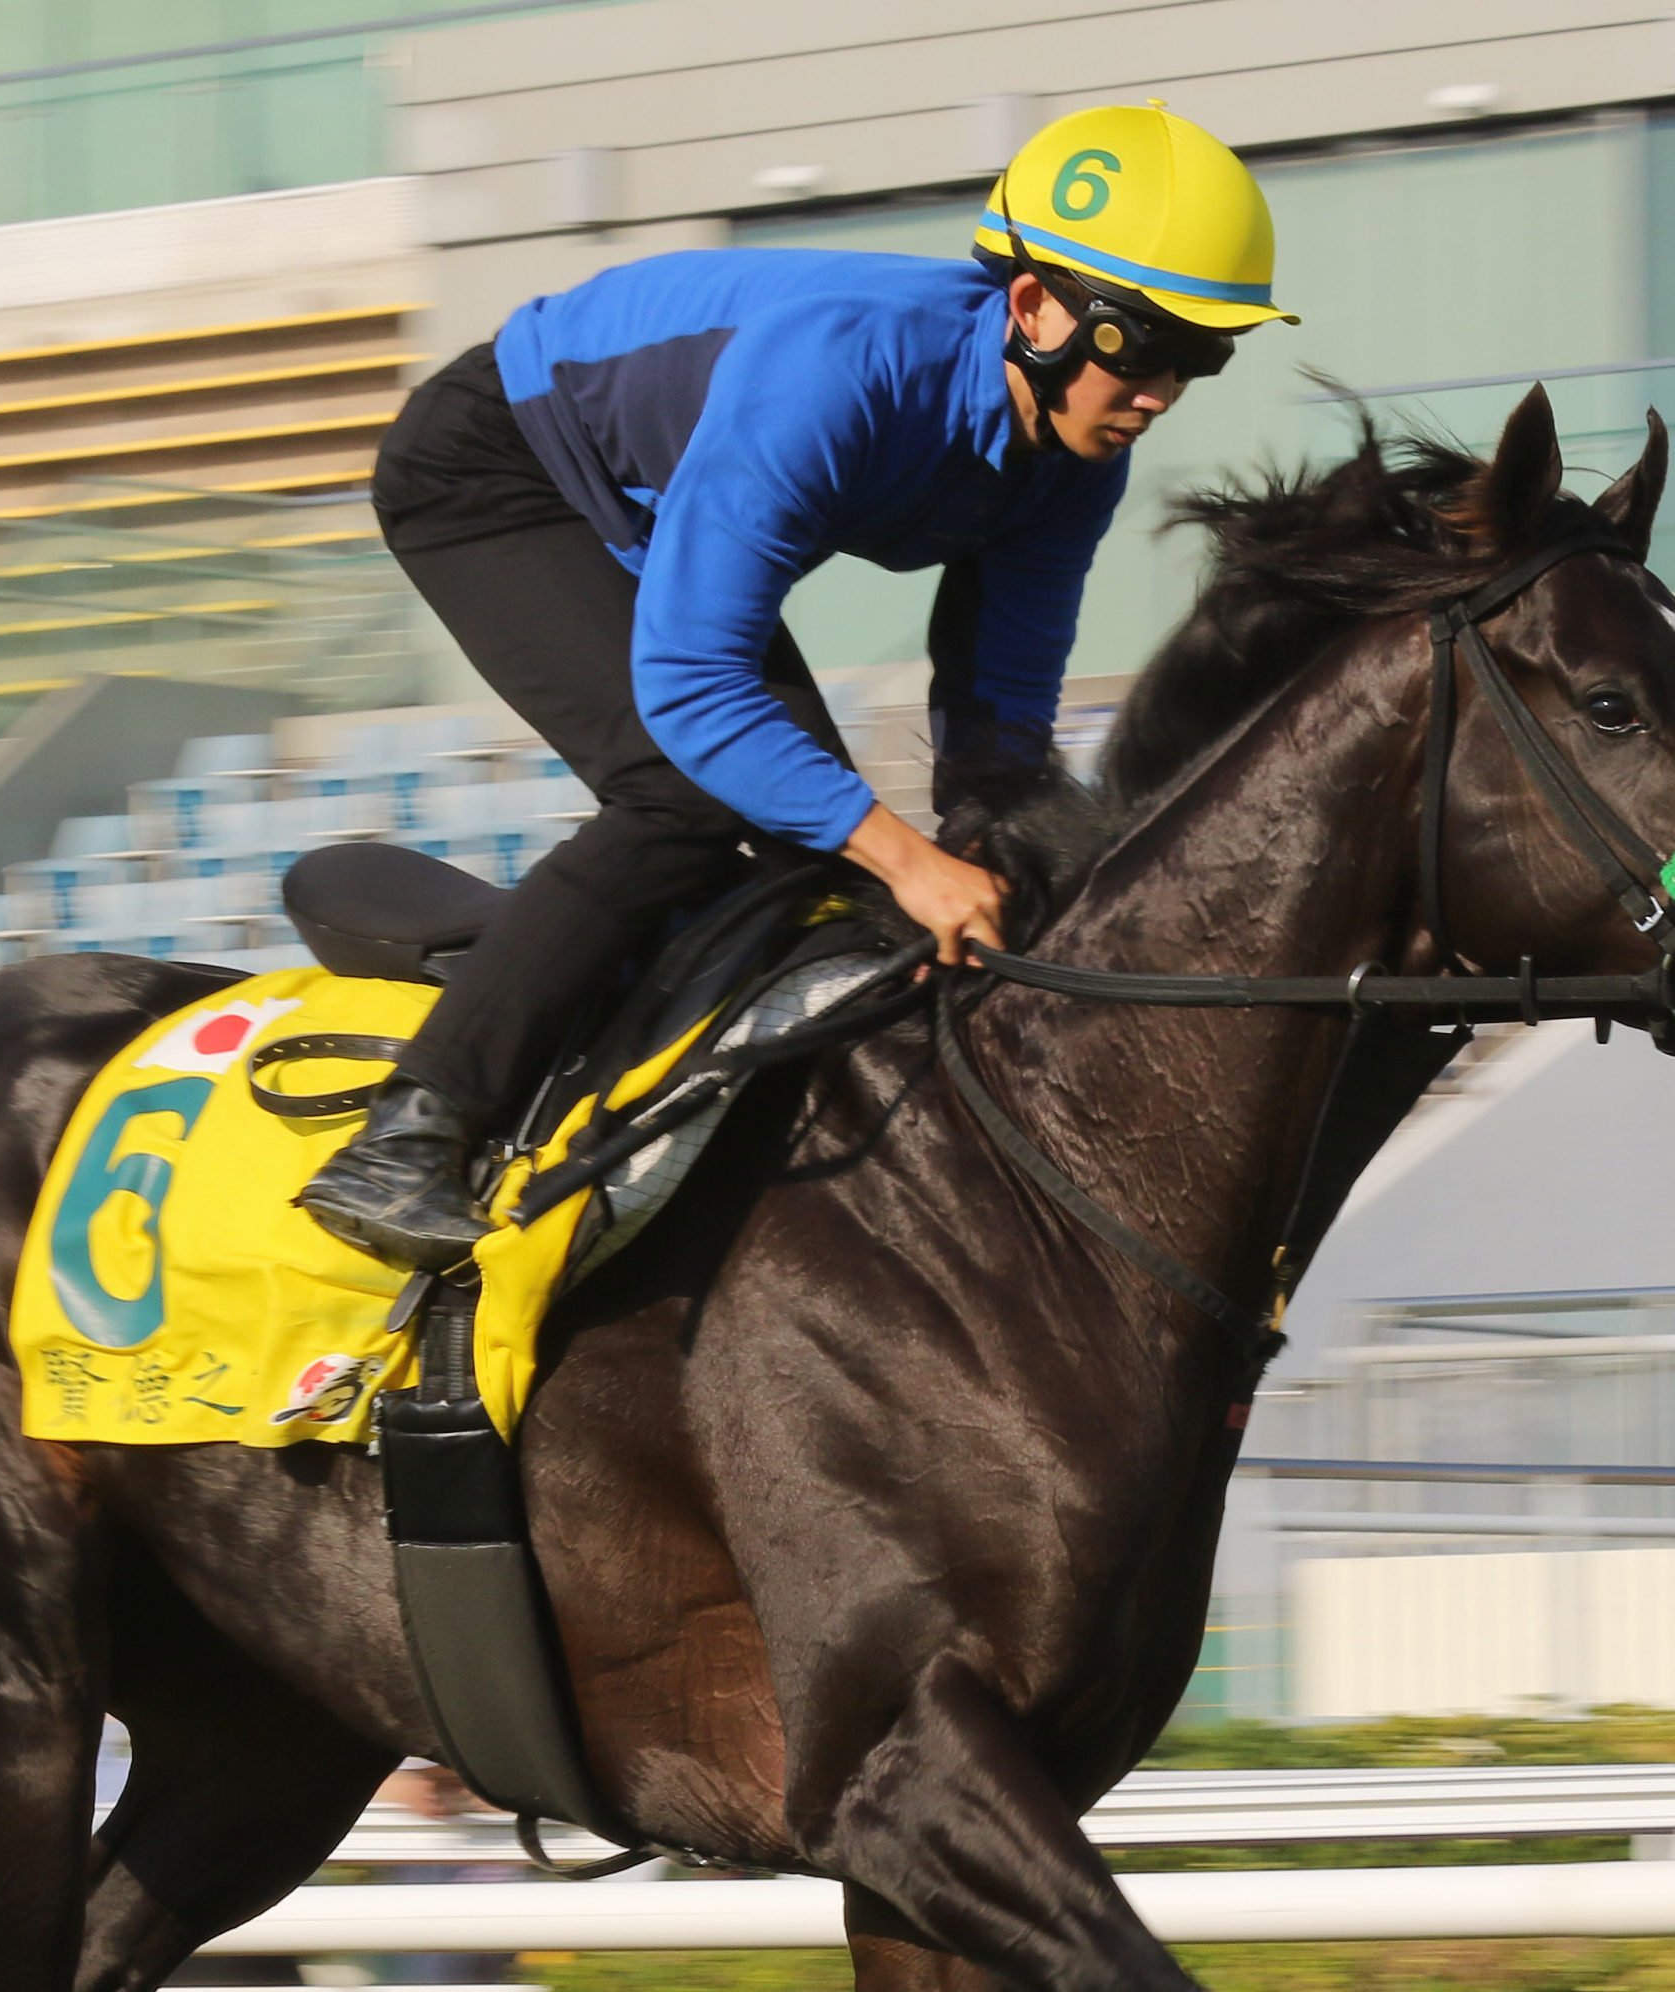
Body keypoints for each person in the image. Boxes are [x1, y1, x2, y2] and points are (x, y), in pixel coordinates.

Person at [297, 102, 1298, 1269]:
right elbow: (692, 692)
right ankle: (408, 1135)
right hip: (499, 468)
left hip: (645, 509)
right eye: (1142, 344)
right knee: (692, 791)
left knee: (820, 862)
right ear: (1031, 306)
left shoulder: (1075, 467)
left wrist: (1011, 867)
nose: (1162, 391)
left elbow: (998, 728)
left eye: (1202, 356)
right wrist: (913, 860)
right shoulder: (838, 374)